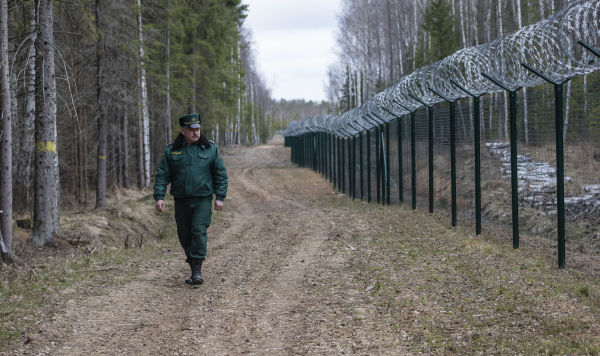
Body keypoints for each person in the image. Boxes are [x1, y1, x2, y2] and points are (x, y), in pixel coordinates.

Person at [153, 113, 228, 285]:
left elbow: (220, 174)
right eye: (191, 129)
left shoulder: (210, 149)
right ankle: (193, 266)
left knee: (198, 231)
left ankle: (197, 270)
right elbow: (162, 175)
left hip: (202, 199)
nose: (196, 133)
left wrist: (220, 197)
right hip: (181, 200)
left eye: (198, 129)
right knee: (184, 235)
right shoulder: (172, 150)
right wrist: (159, 197)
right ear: (183, 130)